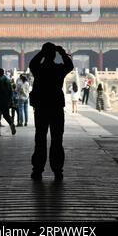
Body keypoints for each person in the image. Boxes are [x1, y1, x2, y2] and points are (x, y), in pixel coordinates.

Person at [29, 42, 73, 181]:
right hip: (56, 107)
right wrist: (62, 52)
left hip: (41, 107)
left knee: (40, 139)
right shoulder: (59, 69)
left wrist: (42, 52)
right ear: (54, 55)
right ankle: (57, 170)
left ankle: (37, 170)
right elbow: (70, 65)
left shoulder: (39, 69)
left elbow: (32, 63)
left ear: (44, 54)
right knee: (57, 140)